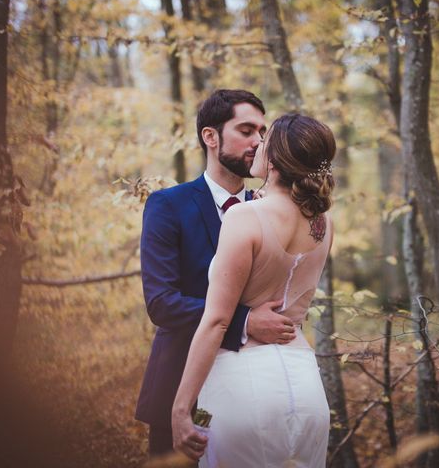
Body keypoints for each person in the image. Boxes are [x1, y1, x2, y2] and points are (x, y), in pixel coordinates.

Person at [135, 89, 298, 457]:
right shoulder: (168, 205)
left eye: (262, 131)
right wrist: (244, 322)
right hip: (180, 385)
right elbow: (161, 303)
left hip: (255, 388)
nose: (259, 141)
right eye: (246, 130)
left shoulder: (269, 211)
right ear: (211, 137)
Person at [172, 113, 336, 467]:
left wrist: (181, 408)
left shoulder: (244, 217)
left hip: (244, 387)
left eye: (265, 138)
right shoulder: (324, 223)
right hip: (306, 388)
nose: (257, 143)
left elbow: (216, 321)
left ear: (274, 159)